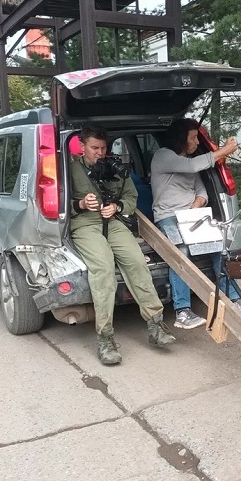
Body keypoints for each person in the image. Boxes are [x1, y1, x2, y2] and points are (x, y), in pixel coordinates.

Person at [69, 126, 176, 365]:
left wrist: (117, 207)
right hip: (85, 224)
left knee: (137, 262)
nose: (99, 152)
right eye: (94, 148)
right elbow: (59, 204)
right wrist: (80, 204)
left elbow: (130, 198)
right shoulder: (71, 170)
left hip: (113, 221)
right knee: (103, 268)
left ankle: (156, 325)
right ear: (82, 146)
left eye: (103, 147)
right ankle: (105, 338)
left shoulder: (115, 167)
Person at [150, 118, 241, 329]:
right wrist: (224, 151)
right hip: (168, 216)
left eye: (197, 137)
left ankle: (234, 299)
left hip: (192, 215)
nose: (197, 142)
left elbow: (202, 190)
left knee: (219, 248)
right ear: (181, 138)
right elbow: (194, 165)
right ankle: (183, 311)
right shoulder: (163, 156)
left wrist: (197, 204)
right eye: (193, 138)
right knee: (181, 252)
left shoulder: (189, 161)